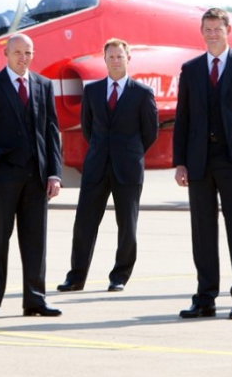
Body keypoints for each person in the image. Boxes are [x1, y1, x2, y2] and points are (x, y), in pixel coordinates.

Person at [173, 8, 232, 320]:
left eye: (217, 28)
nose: (212, 34)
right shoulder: (191, 69)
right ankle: (205, 298)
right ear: (202, 31)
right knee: (202, 231)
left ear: (228, 30)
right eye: (207, 29)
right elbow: (183, 120)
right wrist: (180, 162)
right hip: (199, 162)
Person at [0, 33, 63, 318]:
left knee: (36, 240)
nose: (23, 58)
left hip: (36, 177)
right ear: (6, 55)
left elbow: (51, 132)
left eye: (28, 53)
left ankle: (35, 300)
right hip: (4, 175)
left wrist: (54, 174)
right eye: (18, 53)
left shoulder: (43, 85)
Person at [57, 38, 158, 293]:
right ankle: (76, 277)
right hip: (96, 166)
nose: (115, 61)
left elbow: (150, 133)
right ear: (105, 60)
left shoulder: (142, 93)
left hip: (128, 168)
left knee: (127, 226)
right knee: (84, 224)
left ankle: (119, 276)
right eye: (110, 57)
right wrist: (103, 151)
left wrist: (129, 152)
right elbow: (88, 129)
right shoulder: (92, 92)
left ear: (128, 58)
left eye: (119, 56)